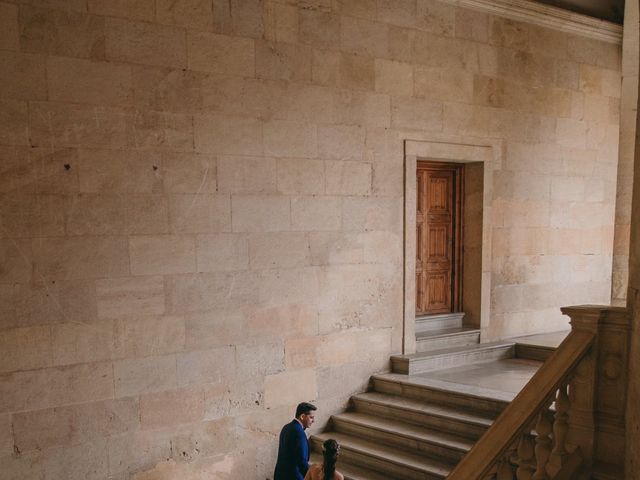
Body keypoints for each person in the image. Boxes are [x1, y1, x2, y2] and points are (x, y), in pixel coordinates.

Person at [274, 402, 317, 480]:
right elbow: (302, 461)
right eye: (311, 417)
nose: (313, 421)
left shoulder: (286, 427)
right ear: (302, 416)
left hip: (280, 474)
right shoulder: (299, 433)